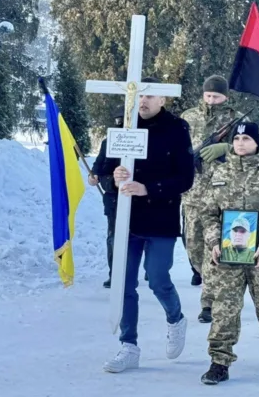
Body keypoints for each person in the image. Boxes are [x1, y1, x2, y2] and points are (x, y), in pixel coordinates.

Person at [103, 79, 195, 373]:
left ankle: (176, 318)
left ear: (162, 100)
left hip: (161, 218)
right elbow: (104, 167)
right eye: (140, 96)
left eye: (150, 96)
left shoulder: (177, 129)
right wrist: (114, 176)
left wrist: (149, 188)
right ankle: (128, 345)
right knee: (124, 282)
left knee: (156, 278)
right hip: (127, 219)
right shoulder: (123, 126)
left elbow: (186, 179)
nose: (142, 101)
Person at [200, 121, 259, 385]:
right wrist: (214, 241)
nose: (241, 143)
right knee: (224, 309)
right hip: (228, 255)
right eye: (237, 139)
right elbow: (208, 213)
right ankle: (219, 362)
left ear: (256, 142)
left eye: (246, 139)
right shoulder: (220, 172)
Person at [180, 75, 238, 324]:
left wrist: (226, 149)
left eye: (216, 96)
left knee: (214, 249)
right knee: (193, 246)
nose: (212, 100)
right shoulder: (188, 117)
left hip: (222, 195)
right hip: (192, 194)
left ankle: (209, 303)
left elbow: (254, 151)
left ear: (226, 96)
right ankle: (205, 277)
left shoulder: (236, 120)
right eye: (208, 95)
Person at [90, 115, 123, 287]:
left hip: (140, 198)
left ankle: (147, 268)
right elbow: (99, 166)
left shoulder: (146, 139)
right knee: (114, 238)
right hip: (114, 199)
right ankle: (115, 274)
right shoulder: (109, 142)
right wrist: (95, 176)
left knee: (143, 236)